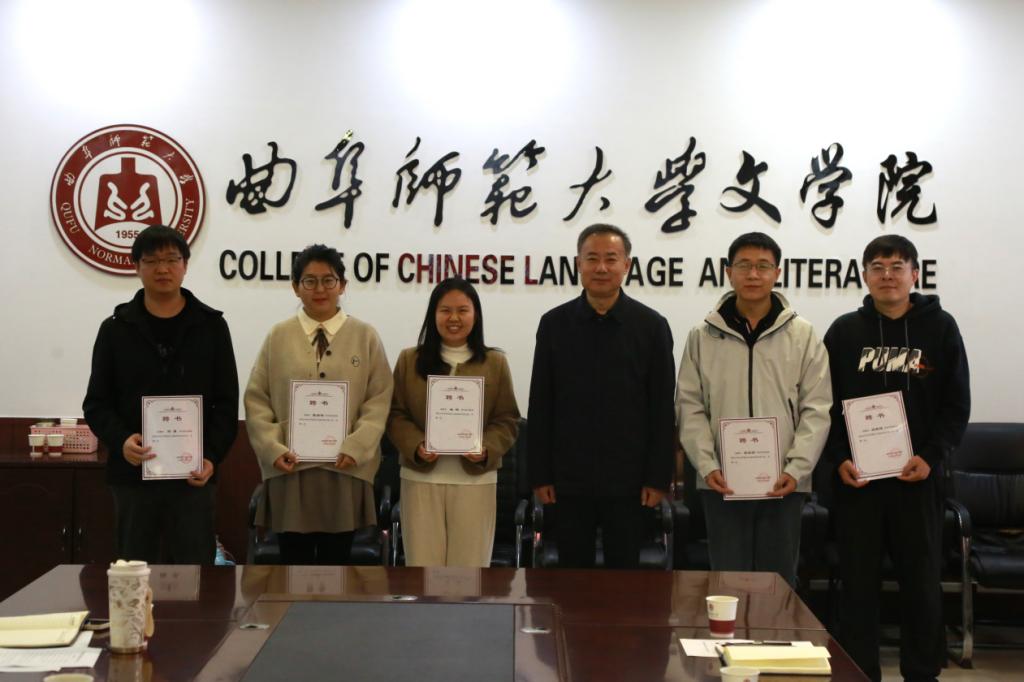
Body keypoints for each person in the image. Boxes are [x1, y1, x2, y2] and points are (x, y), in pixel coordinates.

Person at [823, 235, 970, 682]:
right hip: (859, 483)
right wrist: (838, 458)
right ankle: (858, 671)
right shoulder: (844, 332)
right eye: (878, 267)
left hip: (917, 480)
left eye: (897, 266)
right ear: (864, 275)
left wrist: (931, 456)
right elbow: (823, 404)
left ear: (914, 274)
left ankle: (922, 672)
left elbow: (956, 405)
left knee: (921, 582)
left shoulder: (941, 328)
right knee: (857, 584)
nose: (887, 275)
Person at [676, 232, 831, 587]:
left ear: (778, 273)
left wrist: (796, 468)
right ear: (728, 272)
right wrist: (708, 465)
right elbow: (689, 405)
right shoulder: (702, 336)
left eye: (763, 266)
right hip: (722, 482)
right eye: (744, 265)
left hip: (783, 482)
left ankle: (775, 630)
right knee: (727, 581)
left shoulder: (803, 335)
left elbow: (817, 407)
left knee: (777, 582)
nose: (753, 274)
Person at [83, 224, 238, 564]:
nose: (162, 269)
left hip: (194, 477)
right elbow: (96, 403)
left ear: (185, 264)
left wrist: (211, 457)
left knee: (194, 573)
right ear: (136, 267)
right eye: (151, 261)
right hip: (133, 477)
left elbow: (227, 403)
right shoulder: (115, 329)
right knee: (136, 572)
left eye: (171, 259)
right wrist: (122, 440)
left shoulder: (212, 327)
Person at [527, 223, 676, 569]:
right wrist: (540, 475)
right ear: (578, 264)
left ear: (627, 265)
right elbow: (541, 403)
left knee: (624, 579)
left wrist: (658, 478)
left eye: (611, 258)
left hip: (630, 483)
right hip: (568, 480)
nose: (601, 268)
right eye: (592, 258)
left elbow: (661, 409)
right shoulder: (554, 324)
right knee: (571, 577)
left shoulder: (651, 326)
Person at [244, 244, 393, 565]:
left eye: (329, 280)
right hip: (290, 470)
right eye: (309, 281)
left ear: (343, 285)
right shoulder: (278, 336)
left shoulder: (365, 336)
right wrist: (272, 448)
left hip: (344, 470)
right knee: (291, 569)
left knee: (336, 569)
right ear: (295, 287)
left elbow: (379, 399)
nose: (320, 289)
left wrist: (357, 446)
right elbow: (257, 398)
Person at [387, 277, 520, 567]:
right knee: (423, 574)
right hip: (420, 479)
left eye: (463, 310)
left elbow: (507, 419)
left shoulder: (495, 363)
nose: (454, 318)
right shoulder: (409, 360)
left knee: (469, 576)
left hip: (476, 481)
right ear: (433, 315)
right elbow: (395, 414)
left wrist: (485, 448)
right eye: (445, 310)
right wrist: (416, 445)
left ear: (476, 314)